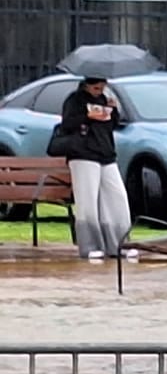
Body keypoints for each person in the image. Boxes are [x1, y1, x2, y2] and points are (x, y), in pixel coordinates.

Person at [53, 77, 131, 263]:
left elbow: (111, 126)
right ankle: (90, 246)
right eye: (96, 87)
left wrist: (113, 111)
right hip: (83, 154)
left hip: (106, 154)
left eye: (102, 86)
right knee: (87, 201)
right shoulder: (75, 100)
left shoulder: (104, 99)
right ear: (86, 84)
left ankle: (119, 243)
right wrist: (87, 117)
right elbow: (67, 125)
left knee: (117, 198)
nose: (100, 90)